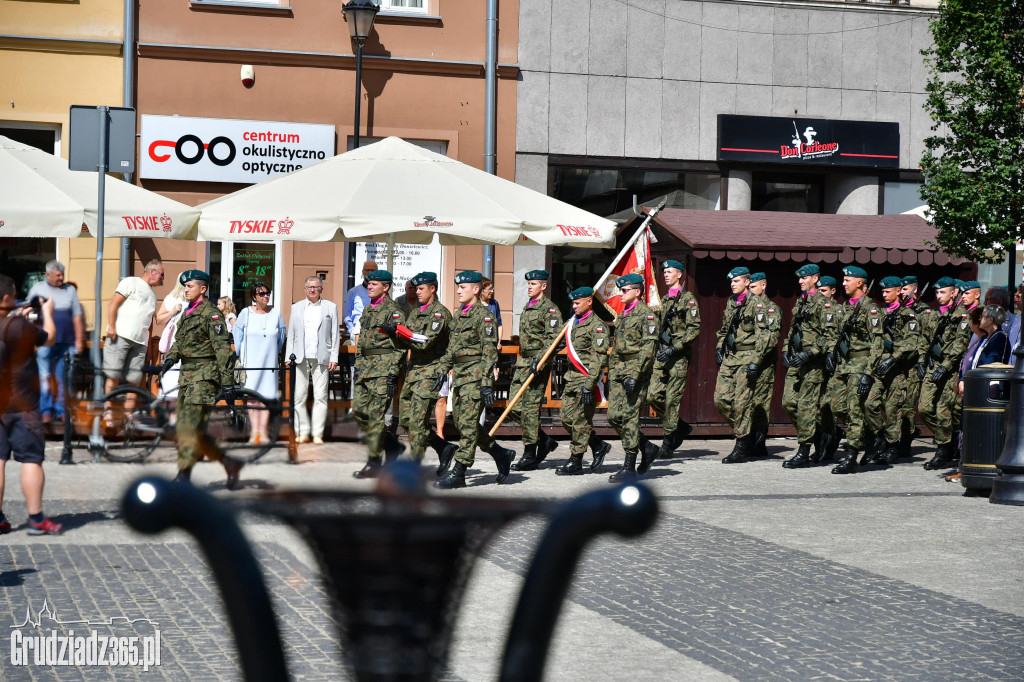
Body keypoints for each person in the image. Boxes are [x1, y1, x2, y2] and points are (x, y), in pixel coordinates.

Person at [159, 270, 243, 490]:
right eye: (185, 286)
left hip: (204, 377)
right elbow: (179, 341)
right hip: (187, 376)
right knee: (189, 429)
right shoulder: (188, 312)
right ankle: (229, 463)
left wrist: (227, 382)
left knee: (188, 428)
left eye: (190, 287)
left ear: (203, 289)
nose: (185, 290)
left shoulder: (211, 314)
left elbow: (223, 350)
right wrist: (170, 359)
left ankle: (183, 476)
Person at [433, 270, 514, 489]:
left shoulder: (484, 316)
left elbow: (489, 352)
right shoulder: (459, 315)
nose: (458, 291)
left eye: (463, 287)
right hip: (460, 376)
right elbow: (452, 348)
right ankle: (501, 453)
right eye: (458, 287)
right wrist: (442, 369)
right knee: (461, 423)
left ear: (476, 290)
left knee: (468, 427)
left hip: (476, 376)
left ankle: (459, 472)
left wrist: (487, 383)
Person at [0, 274, 62, 535]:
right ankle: (36, 519)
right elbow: (49, 338)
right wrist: (47, 312)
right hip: (23, 406)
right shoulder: (19, 326)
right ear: (6, 298)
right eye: (14, 294)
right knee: (31, 460)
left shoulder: (15, 323)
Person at [390, 271, 457, 469]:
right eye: (416, 289)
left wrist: (400, 333)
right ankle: (443, 447)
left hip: (430, 371)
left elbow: (423, 343)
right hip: (413, 372)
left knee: (418, 422)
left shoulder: (439, 314)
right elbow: (406, 339)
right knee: (406, 419)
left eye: (421, 289)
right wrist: (393, 333)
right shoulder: (416, 313)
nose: (417, 292)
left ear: (432, 289)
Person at [714, 267, 775, 465]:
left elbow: (765, 335)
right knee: (720, 400)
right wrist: (719, 346)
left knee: (742, 403)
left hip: (748, 356)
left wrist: (756, 361)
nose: (733, 284)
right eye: (731, 281)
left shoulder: (757, 305)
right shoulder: (732, 302)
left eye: (737, 281)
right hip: (731, 356)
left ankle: (741, 446)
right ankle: (749, 433)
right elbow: (724, 329)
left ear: (747, 283)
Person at [827, 266, 884, 475]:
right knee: (836, 407)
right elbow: (837, 335)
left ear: (860, 282)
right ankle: (871, 436)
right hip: (843, 364)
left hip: (860, 365)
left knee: (854, 410)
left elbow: (878, 343)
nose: (843, 283)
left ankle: (851, 457)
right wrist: (832, 354)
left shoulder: (870, 308)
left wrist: (869, 373)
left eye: (847, 279)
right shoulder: (844, 308)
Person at [349, 270, 407, 478]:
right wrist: (358, 367)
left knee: (375, 418)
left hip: (383, 370)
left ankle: (374, 463)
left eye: (374, 284)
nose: (369, 287)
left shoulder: (394, 311)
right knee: (358, 413)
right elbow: (362, 343)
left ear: (386, 287)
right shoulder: (367, 310)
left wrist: (393, 374)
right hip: (365, 369)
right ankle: (392, 446)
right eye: (368, 284)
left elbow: (401, 346)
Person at [863, 276, 921, 466]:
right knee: (870, 404)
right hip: (879, 369)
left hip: (896, 370)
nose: (885, 295)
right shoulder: (880, 313)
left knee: (892, 409)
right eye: (883, 292)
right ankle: (881, 437)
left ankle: (893, 448)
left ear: (898, 291)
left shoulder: (908, 315)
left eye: (888, 291)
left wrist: (892, 358)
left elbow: (911, 344)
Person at [509, 270, 563, 472]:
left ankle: (529, 454)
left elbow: (555, 339)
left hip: (538, 363)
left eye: (533, 284)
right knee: (513, 407)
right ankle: (544, 440)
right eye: (528, 283)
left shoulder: (549, 310)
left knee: (530, 409)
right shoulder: (528, 306)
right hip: (524, 361)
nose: (529, 287)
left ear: (543, 286)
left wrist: (540, 359)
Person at [553, 286, 611, 475]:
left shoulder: (598, 326)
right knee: (565, 418)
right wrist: (540, 356)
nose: (574, 306)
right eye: (573, 303)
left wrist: (589, 385)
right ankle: (597, 444)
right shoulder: (572, 323)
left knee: (580, 421)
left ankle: (575, 461)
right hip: (571, 378)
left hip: (586, 379)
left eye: (577, 303)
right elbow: (557, 341)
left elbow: (599, 358)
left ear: (589, 301)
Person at [917, 276, 972, 471]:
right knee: (924, 408)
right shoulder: (932, 315)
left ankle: (942, 450)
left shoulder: (962, 315)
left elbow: (960, 344)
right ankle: (947, 440)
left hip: (950, 371)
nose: (939, 296)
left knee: (943, 411)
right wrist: (922, 360)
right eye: (937, 292)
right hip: (933, 367)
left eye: (943, 292)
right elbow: (923, 339)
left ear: (953, 293)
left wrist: (946, 366)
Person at [608, 273, 659, 480]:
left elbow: (649, 348)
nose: (621, 293)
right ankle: (646, 446)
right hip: (620, 370)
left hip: (636, 371)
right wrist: (612, 372)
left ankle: (629, 466)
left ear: (637, 292)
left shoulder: (647, 316)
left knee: (629, 417)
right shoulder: (623, 315)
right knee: (614, 417)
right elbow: (617, 347)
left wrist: (636, 376)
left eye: (624, 290)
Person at [647, 260, 700, 460]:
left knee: (671, 400)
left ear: (679, 274)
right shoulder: (663, 299)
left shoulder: (688, 299)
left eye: (670, 272)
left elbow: (694, 329)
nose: (666, 275)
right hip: (662, 354)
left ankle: (668, 441)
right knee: (652, 396)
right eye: (665, 272)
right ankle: (680, 426)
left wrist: (675, 348)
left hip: (677, 357)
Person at [780, 264, 828, 469]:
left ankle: (804, 451)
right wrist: (785, 348)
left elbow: (830, 337)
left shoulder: (824, 304)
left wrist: (810, 353)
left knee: (806, 406)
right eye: (799, 278)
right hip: (796, 360)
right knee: (788, 403)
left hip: (812, 363)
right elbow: (794, 330)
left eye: (805, 278)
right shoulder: (802, 301)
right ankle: (819, 434)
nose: (800, 281)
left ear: (815, 279)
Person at [27, 260, 84, 423]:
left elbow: (77, 317)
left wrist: (79, 340)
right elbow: (27, 309)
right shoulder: (38, 289)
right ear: (48, 275)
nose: (61, 278)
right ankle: (46, 410)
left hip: (67, 342)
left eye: (62, 275)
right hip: (45, 342)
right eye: (58, 275)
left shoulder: (70, 290)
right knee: (45, 377)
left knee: (63, 378)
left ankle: (61, 410)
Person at [285, 275, 340, 444]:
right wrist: (288, 356)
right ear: (305, 289)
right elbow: (292, 333)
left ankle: (317, 434)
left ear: (321, 289)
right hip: (300, 357)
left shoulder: (330, 307)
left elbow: (335, 334)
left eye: (316, 287)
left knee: (321, 396)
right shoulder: (297, 307)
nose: (313, 289)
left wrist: (334, 357)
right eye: (310, 287)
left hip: (321, 357)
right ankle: (302, 432)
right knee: (299, 397)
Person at [232, 284, 286, 444]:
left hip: (269, 360)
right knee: (252, 396)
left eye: (267, 293)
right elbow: (238, 334)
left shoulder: (276, 314)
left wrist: (274, 352)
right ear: (254, 297)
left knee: (266, 395)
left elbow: (281, 336)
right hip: (251, 360)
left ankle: (262, 432)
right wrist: (242, 355)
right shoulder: (245, 313)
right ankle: (254, 432)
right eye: (261, 293)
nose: (265, 296)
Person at [103, 259, 164, 393]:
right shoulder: (131, 282)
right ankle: (108, 412)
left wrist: (147, 346)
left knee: (135, 381)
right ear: (153, 272)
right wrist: (112, 327)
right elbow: (113, 304)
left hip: (140, 343)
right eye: (162, 275)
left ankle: (129, 414)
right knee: (113, 375)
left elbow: (149, 322)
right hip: (120, 336)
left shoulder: (153, 295)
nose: (162, 279)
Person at [747, 272, 780, 458]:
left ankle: (758, 443)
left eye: (753, 287)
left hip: (763, 364)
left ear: (763, 286)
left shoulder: (770, 309)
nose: (751, 291)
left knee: (760, 404)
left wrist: (757, 360)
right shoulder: (746, 306)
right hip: (745, 361)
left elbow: (772, 338)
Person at [816, 275, 842, 461]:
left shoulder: (839, 311)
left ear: (833, 291)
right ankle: (825, 441)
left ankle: (826, 444)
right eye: (818, 290)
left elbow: (837, 337)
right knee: (815, 407)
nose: (820, 294)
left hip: (832, 363)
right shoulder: (815, 309)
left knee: (827, 406)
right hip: (815, 363)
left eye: (824, 290)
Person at [155, 278, 187, 400]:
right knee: (171, 381)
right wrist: (172, 311)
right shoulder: (171, 299)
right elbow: (158, 320)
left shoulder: (196, 302)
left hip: (190, 349)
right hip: (174, 347)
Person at [343, 260, 377, 344]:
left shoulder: (381, 292)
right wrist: (352, 330)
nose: (370, 272)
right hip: (358, 331)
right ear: (362, 272)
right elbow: (347, 315)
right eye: (367, 270)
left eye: (373, 270)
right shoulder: (353, 292)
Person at [480, 277, 504, 342]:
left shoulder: (494, 303)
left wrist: (499, 341)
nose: (492, 291)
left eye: (492, 289)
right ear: (482, 290)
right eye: (489, 289)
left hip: (491, 343)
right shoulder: (473, 304)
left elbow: (499, 323)